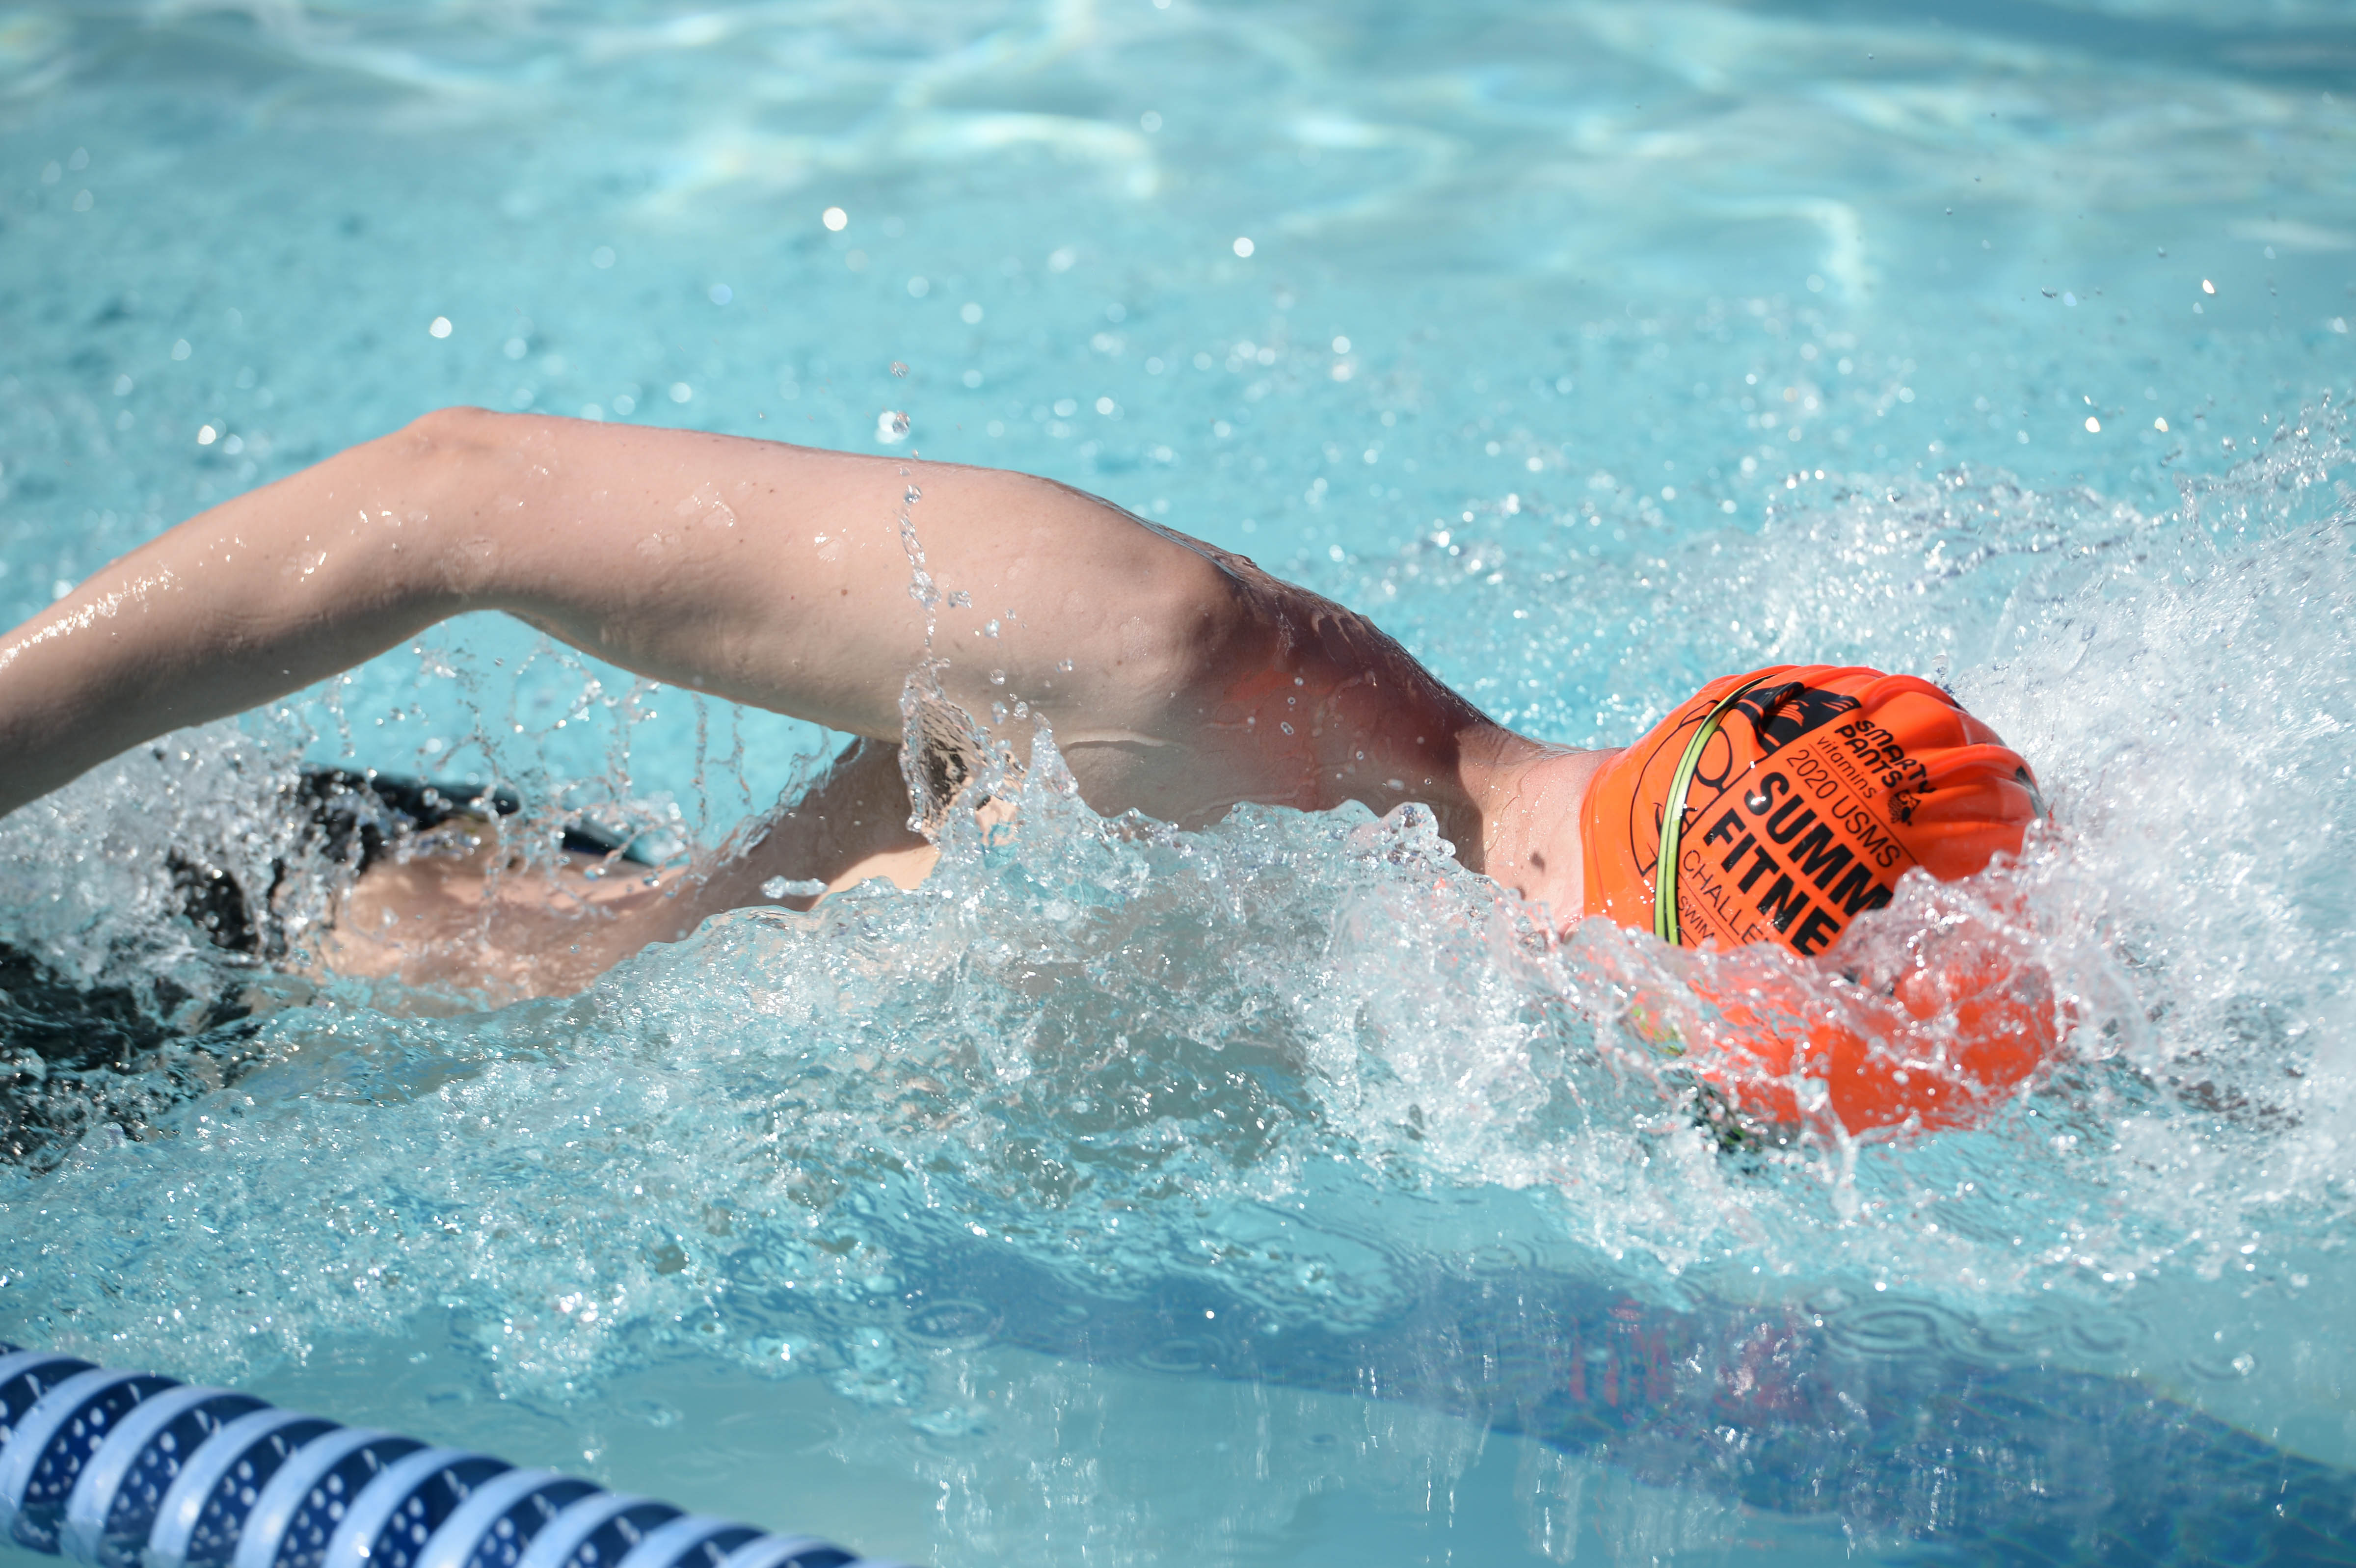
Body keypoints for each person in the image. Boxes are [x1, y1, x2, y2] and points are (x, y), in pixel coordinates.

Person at [0, 409, 2053, 1131]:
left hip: (612, 945)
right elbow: (455, 495)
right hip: (235, 981)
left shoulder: (1497, 952)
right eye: (1782, 1090)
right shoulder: (1169, 660)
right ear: (1726, 978)